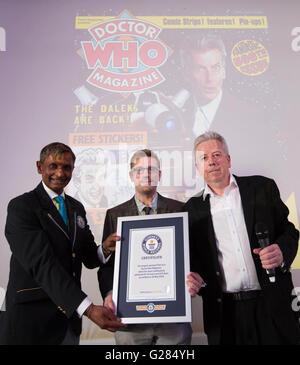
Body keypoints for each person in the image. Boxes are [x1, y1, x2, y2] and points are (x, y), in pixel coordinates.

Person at [0, 142, 124, 345]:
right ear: (39, 167)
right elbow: (42, 265)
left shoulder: (76, 207)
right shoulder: (22, 207)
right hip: (31, 323)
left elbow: (89, 257)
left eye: (66, 167)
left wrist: (105, 248)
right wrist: (89, 309)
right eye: (53, 166)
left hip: (68, 323)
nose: (60, 173)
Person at [184, 131, 300, 345]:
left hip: (272, 303)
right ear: (198, 168)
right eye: (204, 158)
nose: (211, 161)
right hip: (225, 314)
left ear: (228, 159)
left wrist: (282, 251)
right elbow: (195, 259)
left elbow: (290, 231)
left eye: (217, 154)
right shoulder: (192, 209)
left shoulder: (262, 188)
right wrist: (193, 278)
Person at [97, 149, 202, 345]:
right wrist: (110, 293)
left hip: (172, 317)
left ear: (160, 175)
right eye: (139, 170)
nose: (146, 174)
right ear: (131, 176)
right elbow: (108, 266)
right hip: (129, 319)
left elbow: (193, 255)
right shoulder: (115, 214)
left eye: (152, 169)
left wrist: (196, 279)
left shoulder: (181, 210)